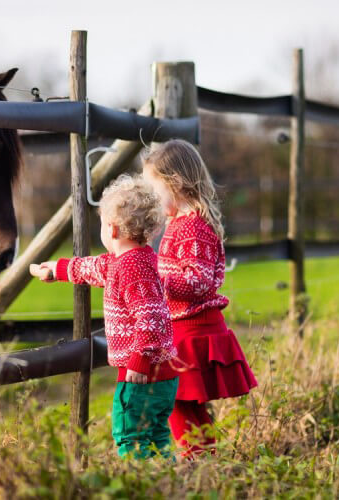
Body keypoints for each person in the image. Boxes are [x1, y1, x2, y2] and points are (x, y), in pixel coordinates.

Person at [30, 174, 177, 458]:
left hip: (143, 373)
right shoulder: (132, 260)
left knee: (131, 436)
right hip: (162, 375)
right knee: (156, 436)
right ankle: (170, 483)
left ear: (110, 230)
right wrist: (57, 269)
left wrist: (140, 359)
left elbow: (151, 317)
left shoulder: (132, 268)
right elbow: (93, 268)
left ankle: (141, 487)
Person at [140, 139, 258, 457]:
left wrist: (156, 280)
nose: (151, 200)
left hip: (194, 330)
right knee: (180, 405)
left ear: (176, 184)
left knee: (176, 402)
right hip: (182, 328)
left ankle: (199, 462)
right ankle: (202, 460)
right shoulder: (179, 224)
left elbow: (197, 281)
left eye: (155, 191)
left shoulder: (193, 228)